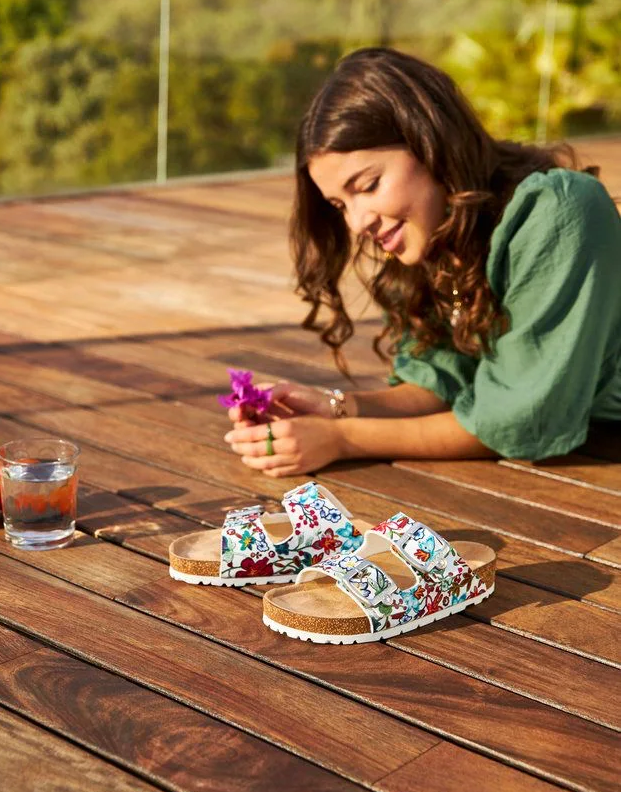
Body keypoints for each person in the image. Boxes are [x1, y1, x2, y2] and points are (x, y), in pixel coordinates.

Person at [224, 47, 621, 477]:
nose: (357, 223)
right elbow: (440, 380)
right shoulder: (440, 235)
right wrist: (335, 408)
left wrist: (342, 439)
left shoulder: (558, 212)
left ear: (431, 143)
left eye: (369, 185)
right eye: (340, 205)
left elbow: (522, 418)